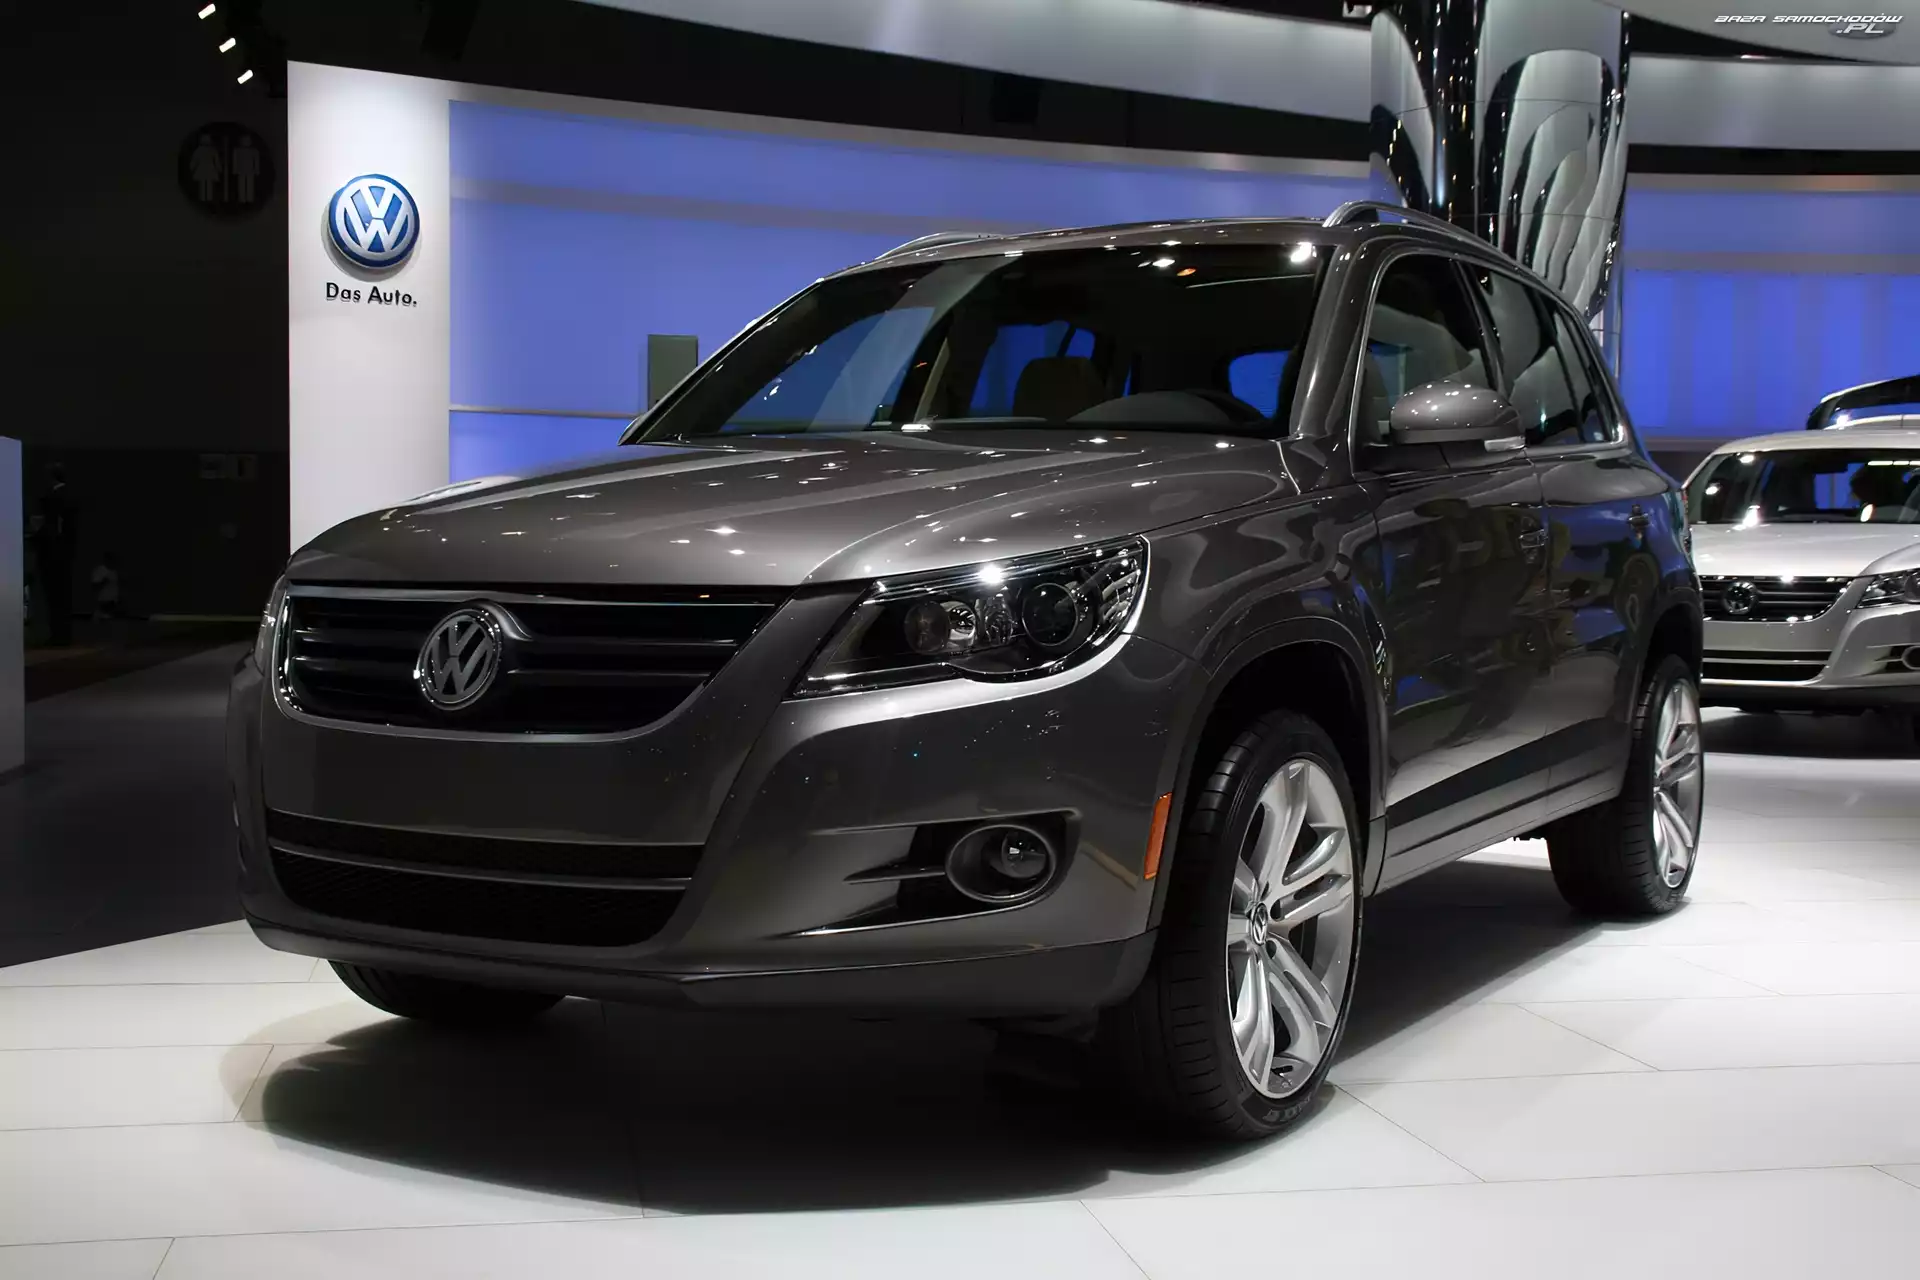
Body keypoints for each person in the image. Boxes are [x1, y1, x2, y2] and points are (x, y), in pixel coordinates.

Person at [32, 464, 77, 646]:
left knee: (54, 596)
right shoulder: (71, 496)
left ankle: (58, 635)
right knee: (63, 596)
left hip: (52, 553)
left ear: (51, 478)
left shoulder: (52, 498)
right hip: (65, 554)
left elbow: (50, 528)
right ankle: (64, 635)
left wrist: (38, 535)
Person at [90, 552, 122, 621]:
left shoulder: (114, 571)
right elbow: (94, 586)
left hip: (113, 603)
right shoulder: (100, 570)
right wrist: (104, 582)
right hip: (103, 602)